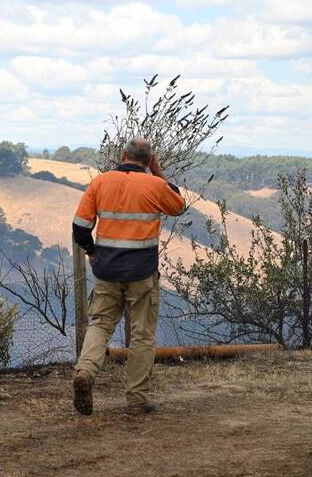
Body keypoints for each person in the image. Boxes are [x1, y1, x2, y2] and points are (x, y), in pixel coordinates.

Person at [71, 138, 185, 415]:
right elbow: (179, 206)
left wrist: (91, 251)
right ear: (149, 160)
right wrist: (158, 172)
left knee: (100, 324)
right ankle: (137, 399)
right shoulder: (156, 185)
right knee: (142, 335)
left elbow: (80, 226)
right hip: (142, 272)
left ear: (123, 155)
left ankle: (85, 371)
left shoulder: (101, 182)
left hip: (106, 269)